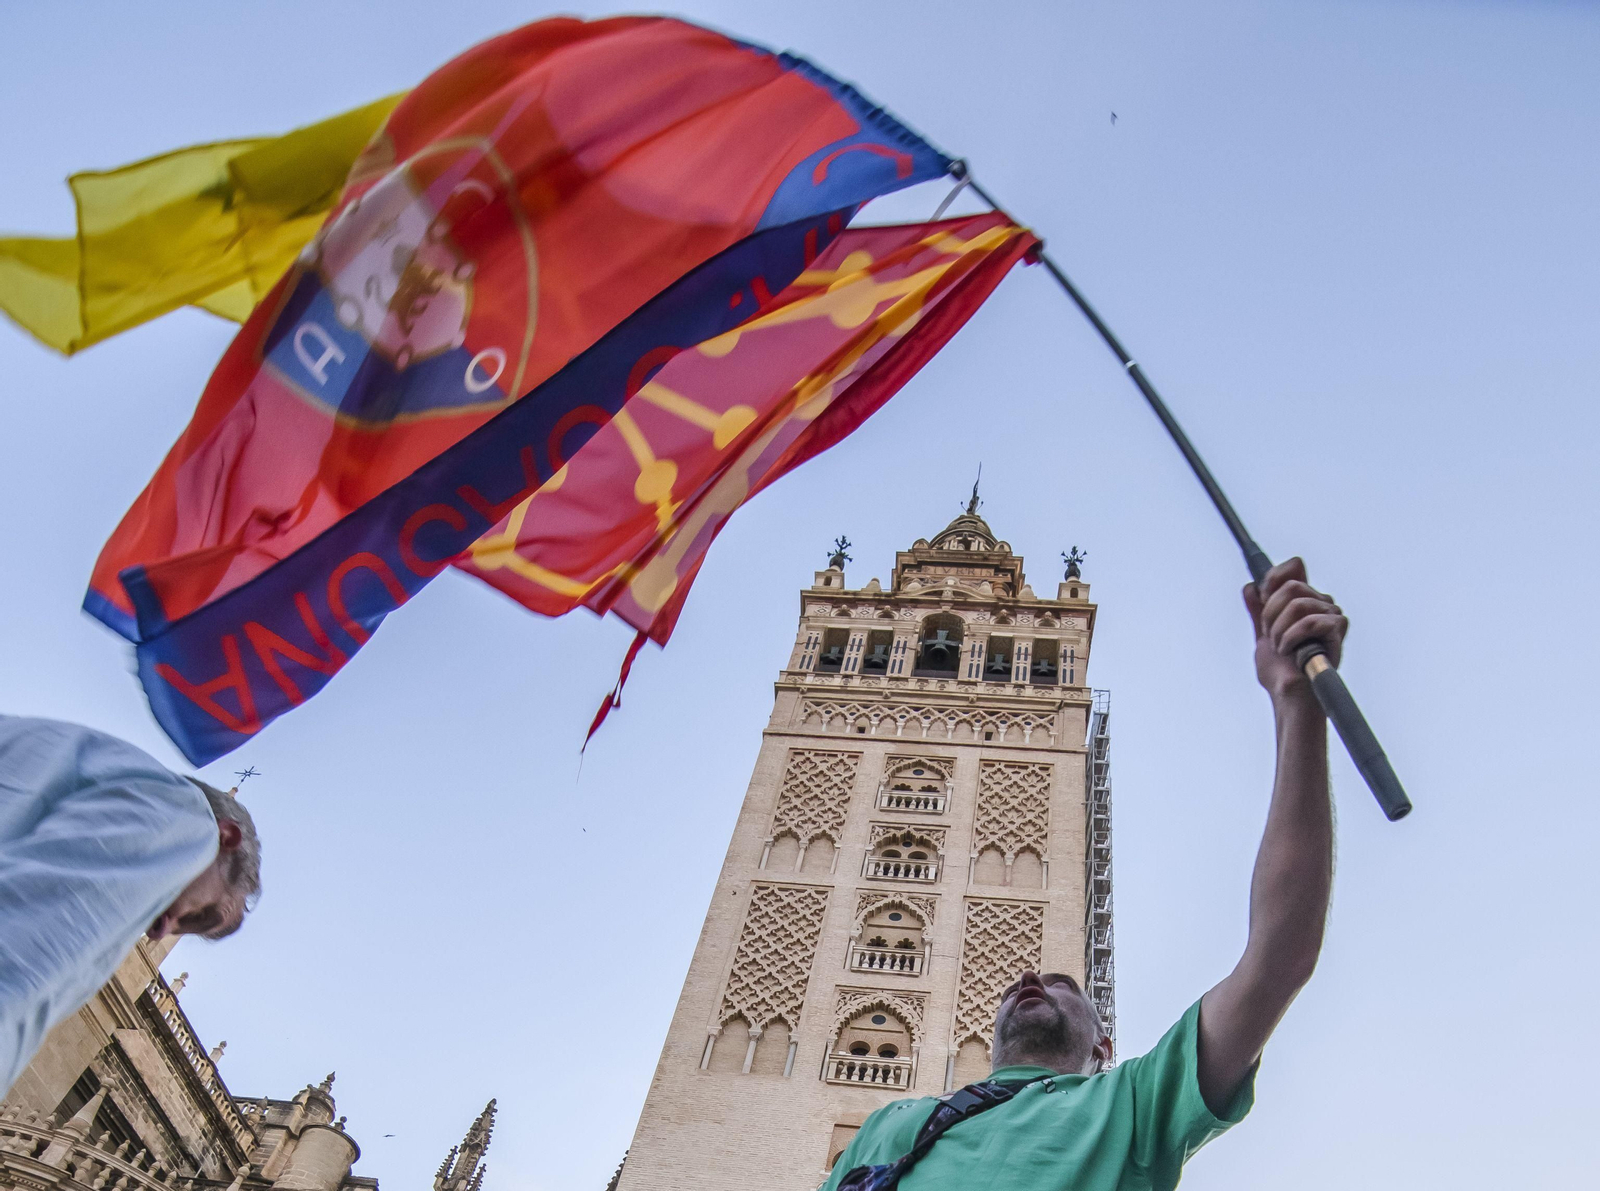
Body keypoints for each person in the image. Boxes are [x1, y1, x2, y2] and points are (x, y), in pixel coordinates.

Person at [824, 558, 1346, 1191]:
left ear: (1103, 1051)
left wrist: (1298, 703)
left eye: (1065, 982)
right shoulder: (889, 1127)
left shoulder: (1128, 1107)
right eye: (1035, 979)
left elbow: (1279, 956)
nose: (1028, 977)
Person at [0, 716, 261, 1094]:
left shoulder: (87, 769)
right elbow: (19, 958)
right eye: (201, 914)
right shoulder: (185, 818)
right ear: (226, 837)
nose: (159, 930)